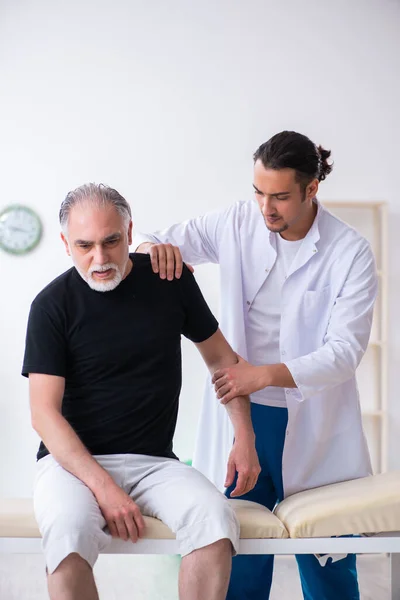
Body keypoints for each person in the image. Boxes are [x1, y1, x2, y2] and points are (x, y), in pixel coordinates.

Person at [133, 130, 378, 600]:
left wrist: (260, 374)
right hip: (243, 422)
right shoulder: (236, 223)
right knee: (239, 559)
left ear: (312, 189)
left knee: (329, 565)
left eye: (281, 197)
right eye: (259, 192)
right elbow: (151, 239)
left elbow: (345, 350)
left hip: (315, 423)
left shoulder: (350, 252)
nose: (266, 208)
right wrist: (152, 251)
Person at [22, 183, 261, 600]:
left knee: (214, 519)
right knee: (68, 531)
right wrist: (104, 488)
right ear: (65, 244)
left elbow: (224, 361)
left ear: (131, 233)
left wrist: (245, 437)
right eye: (84, 245)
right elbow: (44, 415)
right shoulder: (51, 306)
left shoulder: (168, 282)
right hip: (71, 467)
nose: (100, 259)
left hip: (154, 464)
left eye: (111, 241)